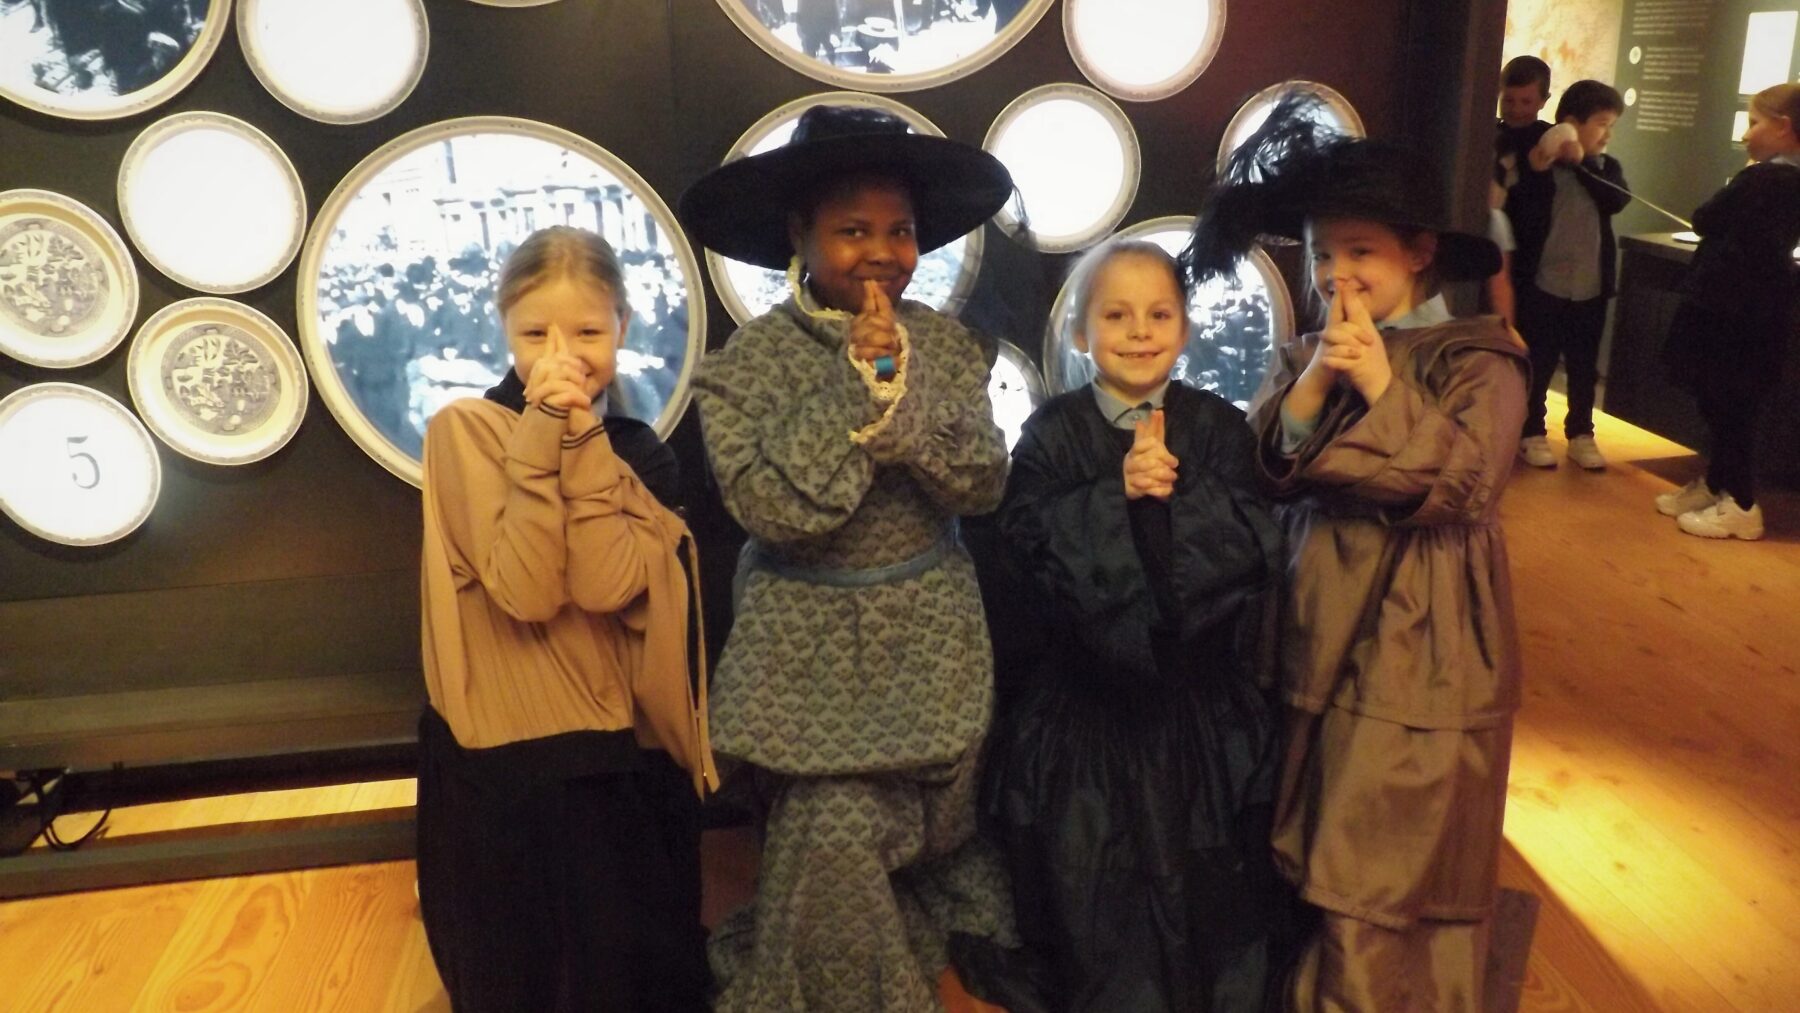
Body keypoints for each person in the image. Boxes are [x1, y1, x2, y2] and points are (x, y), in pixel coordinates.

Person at [1186, 92, 1529, 1010]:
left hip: (1418, 631)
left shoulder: (1477, 357)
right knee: (1301, 818)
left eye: (1362, 251)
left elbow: (1464, 483)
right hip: (1310, 618)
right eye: (1322, 254)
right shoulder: (1309, 350)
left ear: (1418, 251)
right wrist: (1314, 381)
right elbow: (1262, 464)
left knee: (1375, 844)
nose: (1338, 274)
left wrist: (1380, 381)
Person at [678, 104, 1019, 1012]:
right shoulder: (747, 363)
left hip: (930, 637)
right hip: (804, 650)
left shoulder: (947, 344)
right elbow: (767, 508)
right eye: (853, 230)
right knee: (827, 830)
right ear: (801, 233)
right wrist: (849, 390)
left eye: (899, 230)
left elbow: (984, 481)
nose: (881, 252)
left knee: (915, 835)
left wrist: (903, 402)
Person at [970, 238, 1288, 1012]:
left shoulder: (1218, 427)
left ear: (1185, 330)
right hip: (1087, 713)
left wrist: (1174, 500)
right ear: (1082, 333)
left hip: (1200, 710)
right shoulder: (1051, 433)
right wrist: (1115, 495)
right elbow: (1026, 553)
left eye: (1158, 314)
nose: (1139, 331)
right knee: (1096, 897)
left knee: (1215, 894)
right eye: (1116, 315)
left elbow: (1254, 546)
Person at [415, 226, 715, 1013]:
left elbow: (607, 584)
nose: (562, 355)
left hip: (618, 748)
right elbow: (524, 590)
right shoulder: (463, 432)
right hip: (510, 761)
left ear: (622, 325)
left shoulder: (641, 451)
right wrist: (540, 433)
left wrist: (578, 436)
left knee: (629, 967)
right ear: (503, 331)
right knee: (526, 966)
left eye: (586, 332)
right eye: (534, 334)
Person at [1656, 83, 1800, 540]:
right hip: (1756, 309)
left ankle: (1739, 502)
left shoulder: (1762, 179)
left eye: (1755, 123)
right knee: (1731, 401)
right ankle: (1718, 483)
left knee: (1728, 402)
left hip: (1730, 311)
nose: (1746, 133)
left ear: (1783, 127)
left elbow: (1705, 217)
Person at [1508, 79, 1628, 470]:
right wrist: (1547, 164)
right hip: (1545, 284)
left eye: (1611, 126)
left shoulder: (1606, 167)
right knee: (1540, 361)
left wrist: (1585, 164)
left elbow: (1617, 199)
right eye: (1602, 124)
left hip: (1590, 287)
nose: (1607, 134)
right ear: (1573, 123)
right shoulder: (1544, 167)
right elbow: (1524, 209)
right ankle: (1531, 430)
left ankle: (1581, 433)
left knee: (1583, 365)